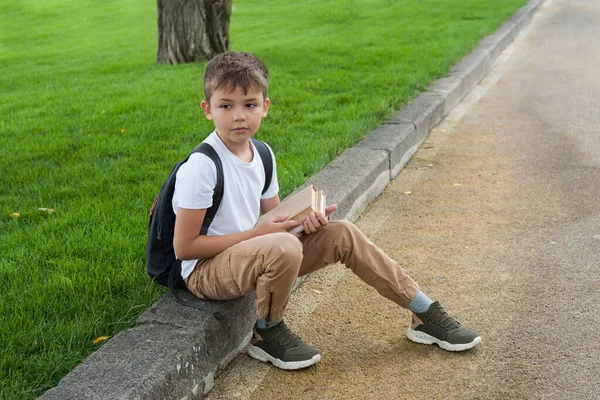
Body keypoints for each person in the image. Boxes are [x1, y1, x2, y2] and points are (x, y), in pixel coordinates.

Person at [172, 51, 481, 371]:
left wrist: (304, 222)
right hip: (205, 271)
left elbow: (274, 222)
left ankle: (423, 312)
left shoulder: (262, 154)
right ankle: (267, 334)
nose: (239, 116)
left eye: (249, 104)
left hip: (252, 253)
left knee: (341, 232)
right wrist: (261, 234)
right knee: (284, 245)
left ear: (265, 106)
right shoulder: (202, 166)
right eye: (226, 106)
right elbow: (185, 248)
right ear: (208, 110)